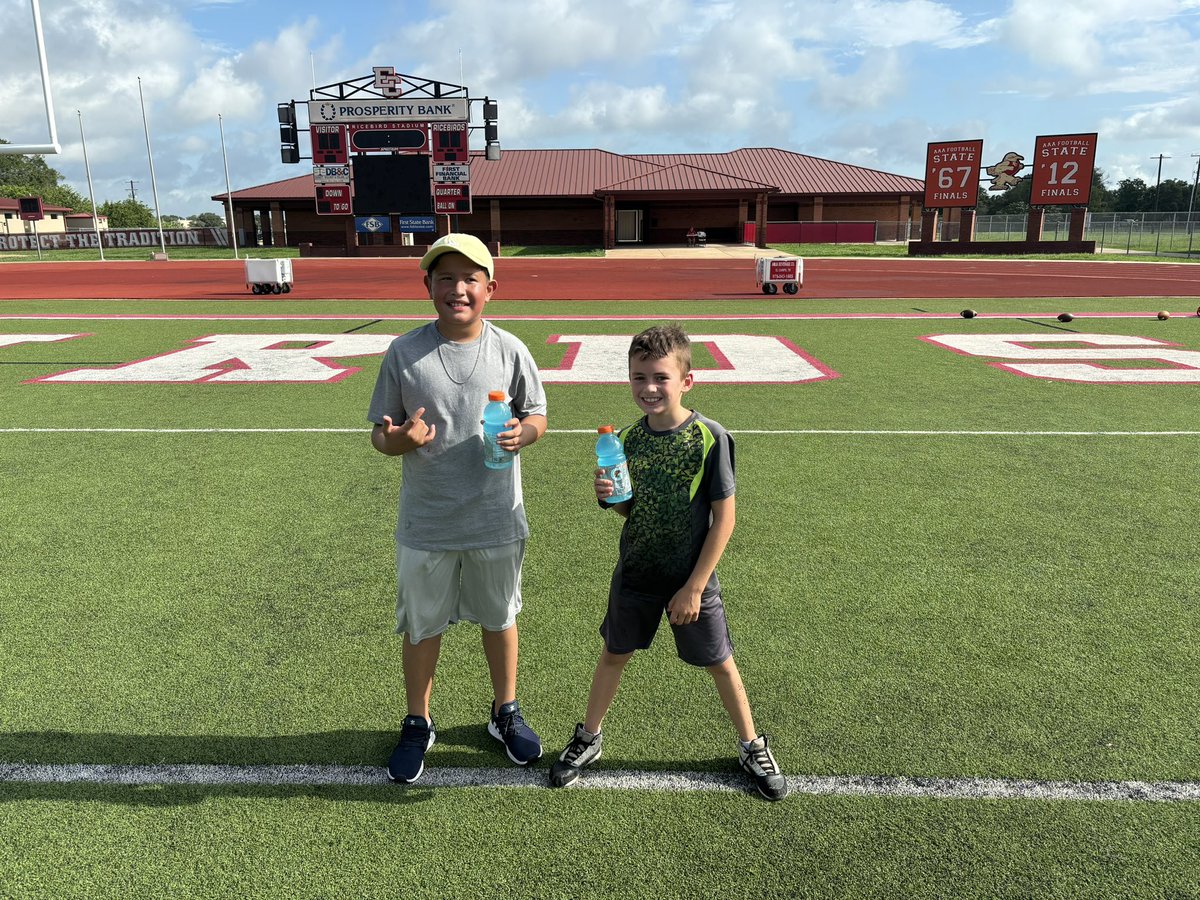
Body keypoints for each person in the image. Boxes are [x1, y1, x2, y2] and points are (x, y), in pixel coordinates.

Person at [548, 323, 787, 801]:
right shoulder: (628, 439)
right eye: (639, 378)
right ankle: (588, 738)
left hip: (689, 577)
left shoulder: (708, 437)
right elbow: (628, 509)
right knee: (614, 653)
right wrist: (609, 498)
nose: (649, 388)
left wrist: (695, 586)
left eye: (659, 377)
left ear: (687, 381)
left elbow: (724, 519)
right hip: (636, 572)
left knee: (720, 662)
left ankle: (751, 745)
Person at [368, 233, 548, 784]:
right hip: (427, 520)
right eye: (445, 278)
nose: (458, 289)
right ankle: (419, 720)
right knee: (422, 627)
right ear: (428, 286)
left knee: (500, 618)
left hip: (495, 515)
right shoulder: (404, 351)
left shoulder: (510, 349)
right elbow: (381, 433)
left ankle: (504, 711)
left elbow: (538, 414)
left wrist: (525, 433)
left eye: (470, 279)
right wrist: (402, 440)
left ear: (491, 289)